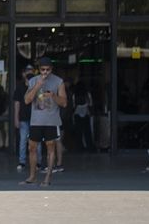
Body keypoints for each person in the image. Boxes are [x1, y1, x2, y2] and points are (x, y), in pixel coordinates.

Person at [21, 57, 67, 187]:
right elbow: (26, 100)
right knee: (32, 148)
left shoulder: (58, 81)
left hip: (51, 121)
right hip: (36, 121)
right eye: (42, 69)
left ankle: (47, 177)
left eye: (47, 70)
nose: (45, 72)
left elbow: (64, 103)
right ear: (38, 70)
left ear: (51, 69)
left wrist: (54, 96)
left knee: (50, 148)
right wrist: (37, 86)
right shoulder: (33, 81)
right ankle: (32, 176)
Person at [12, 64, 35, 171]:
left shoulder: (37, 86)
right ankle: (22, 161)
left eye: (31, 71)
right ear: (23, 74)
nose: (30, 73)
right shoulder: (20, 87)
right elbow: (17, 104)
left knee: (37, 141)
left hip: (36, 119)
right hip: (23, 118)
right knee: (23, 140)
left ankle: (38, 162)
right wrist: (16, 118)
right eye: (28, 71)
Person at [70, 80, 94, 151]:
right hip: (86, 113)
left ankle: (79, 147)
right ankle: (89, 147)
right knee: (87, 132)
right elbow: (90, 104)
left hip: (77, 114)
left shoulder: (75, 94)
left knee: (79, 133)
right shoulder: (87, 94)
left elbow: (73, 105)